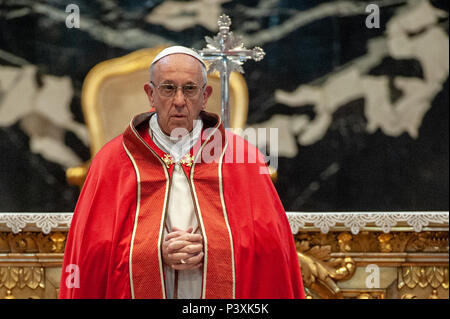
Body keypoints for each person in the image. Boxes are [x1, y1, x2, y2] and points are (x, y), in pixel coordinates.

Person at [59, 46, 305, 299]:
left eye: (189, 89)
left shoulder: (242, 158)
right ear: (150, 94)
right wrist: (154, 252)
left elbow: (270, 250)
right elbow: (92, 254)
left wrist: (214, 248)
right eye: (167, 88)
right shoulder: (113, 161)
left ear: (205, 95)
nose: (179, 101)